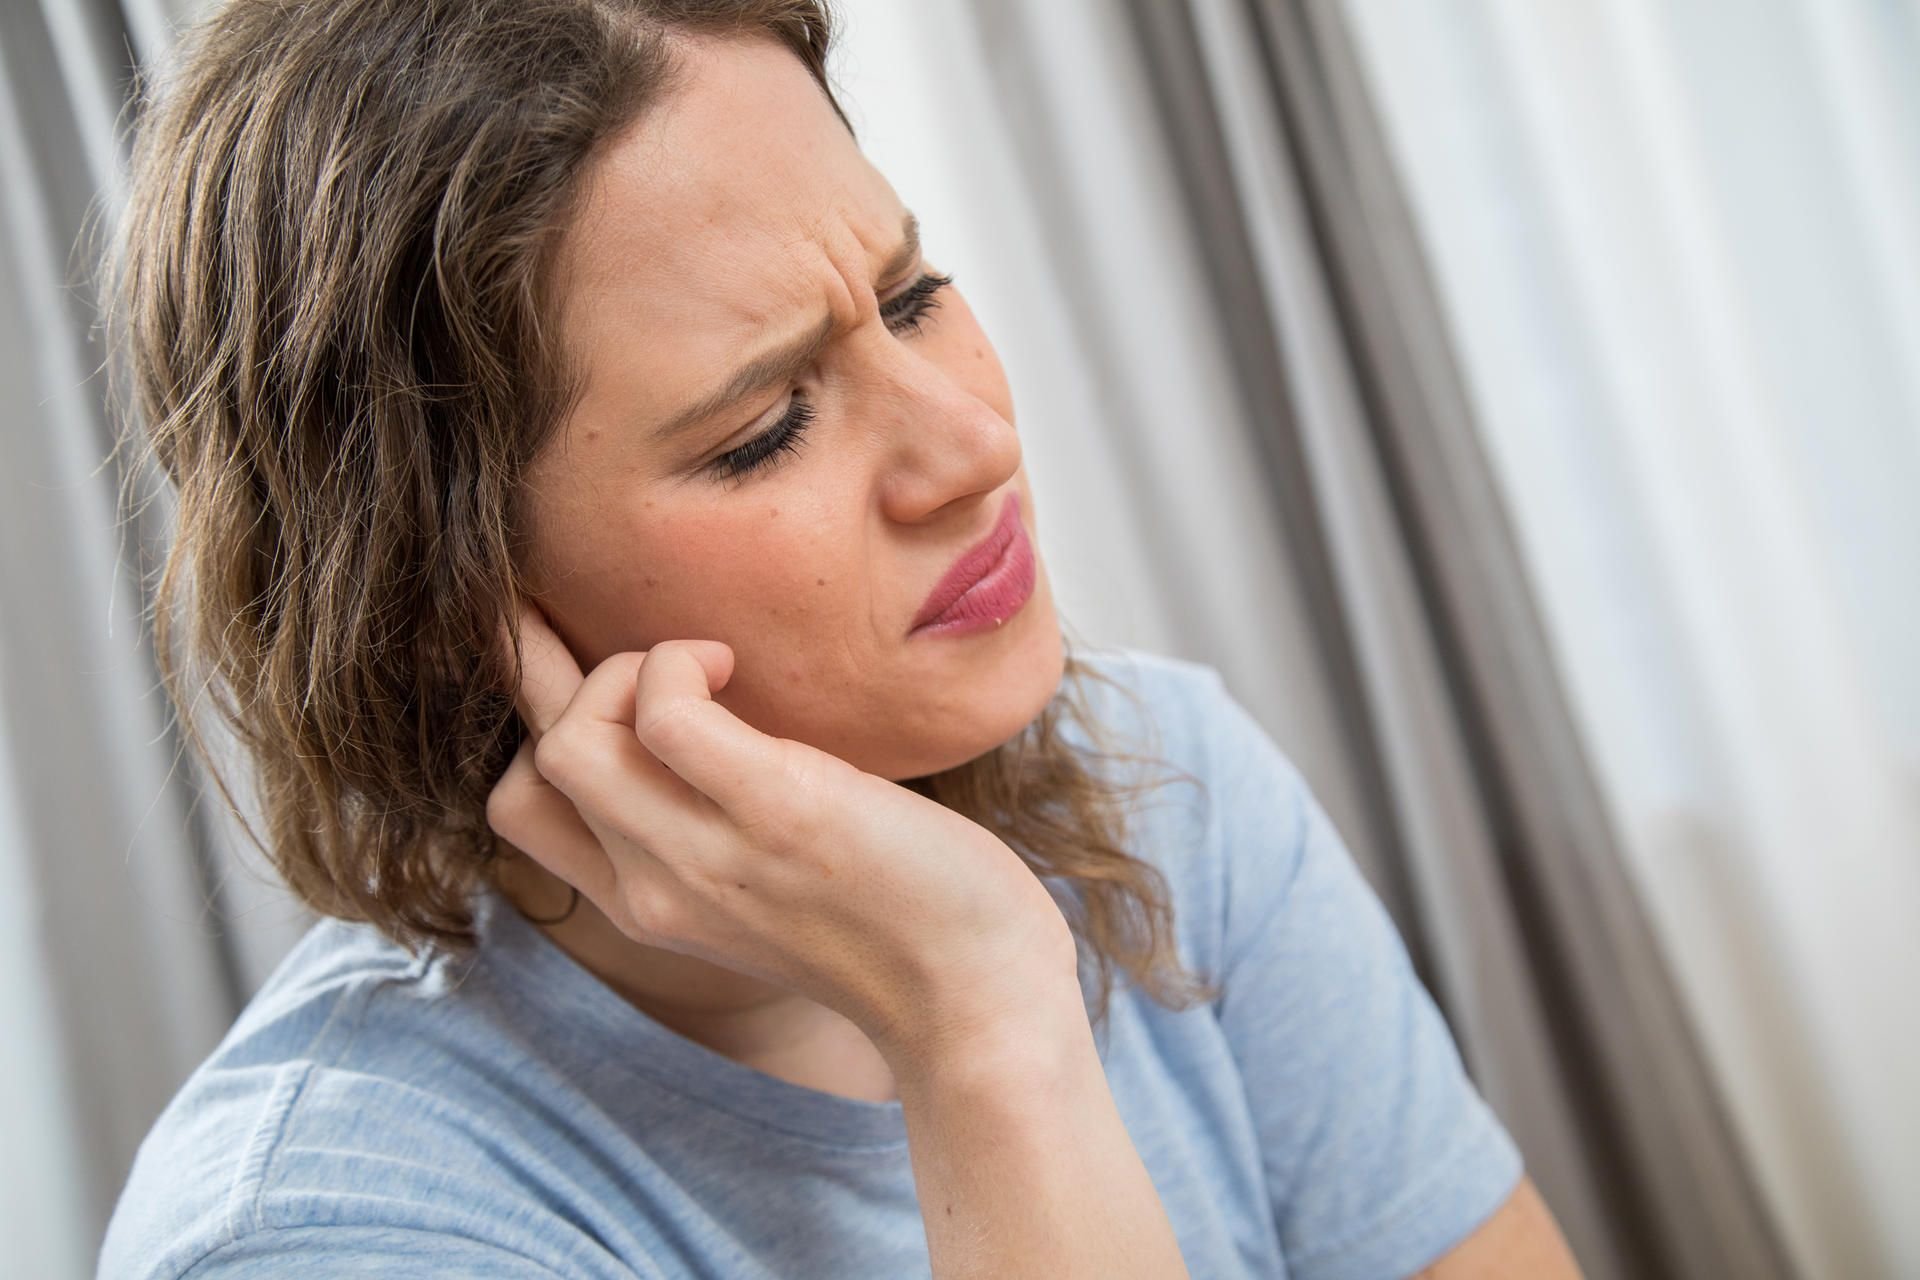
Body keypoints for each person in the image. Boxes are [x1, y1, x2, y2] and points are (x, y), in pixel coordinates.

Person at [97, 1, 1584, 1276]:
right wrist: (982, 1023)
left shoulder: (1164, 774)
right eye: (766, 428)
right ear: (432, 618)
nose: (975, 443)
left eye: (911, 296)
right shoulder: (330, 1230)